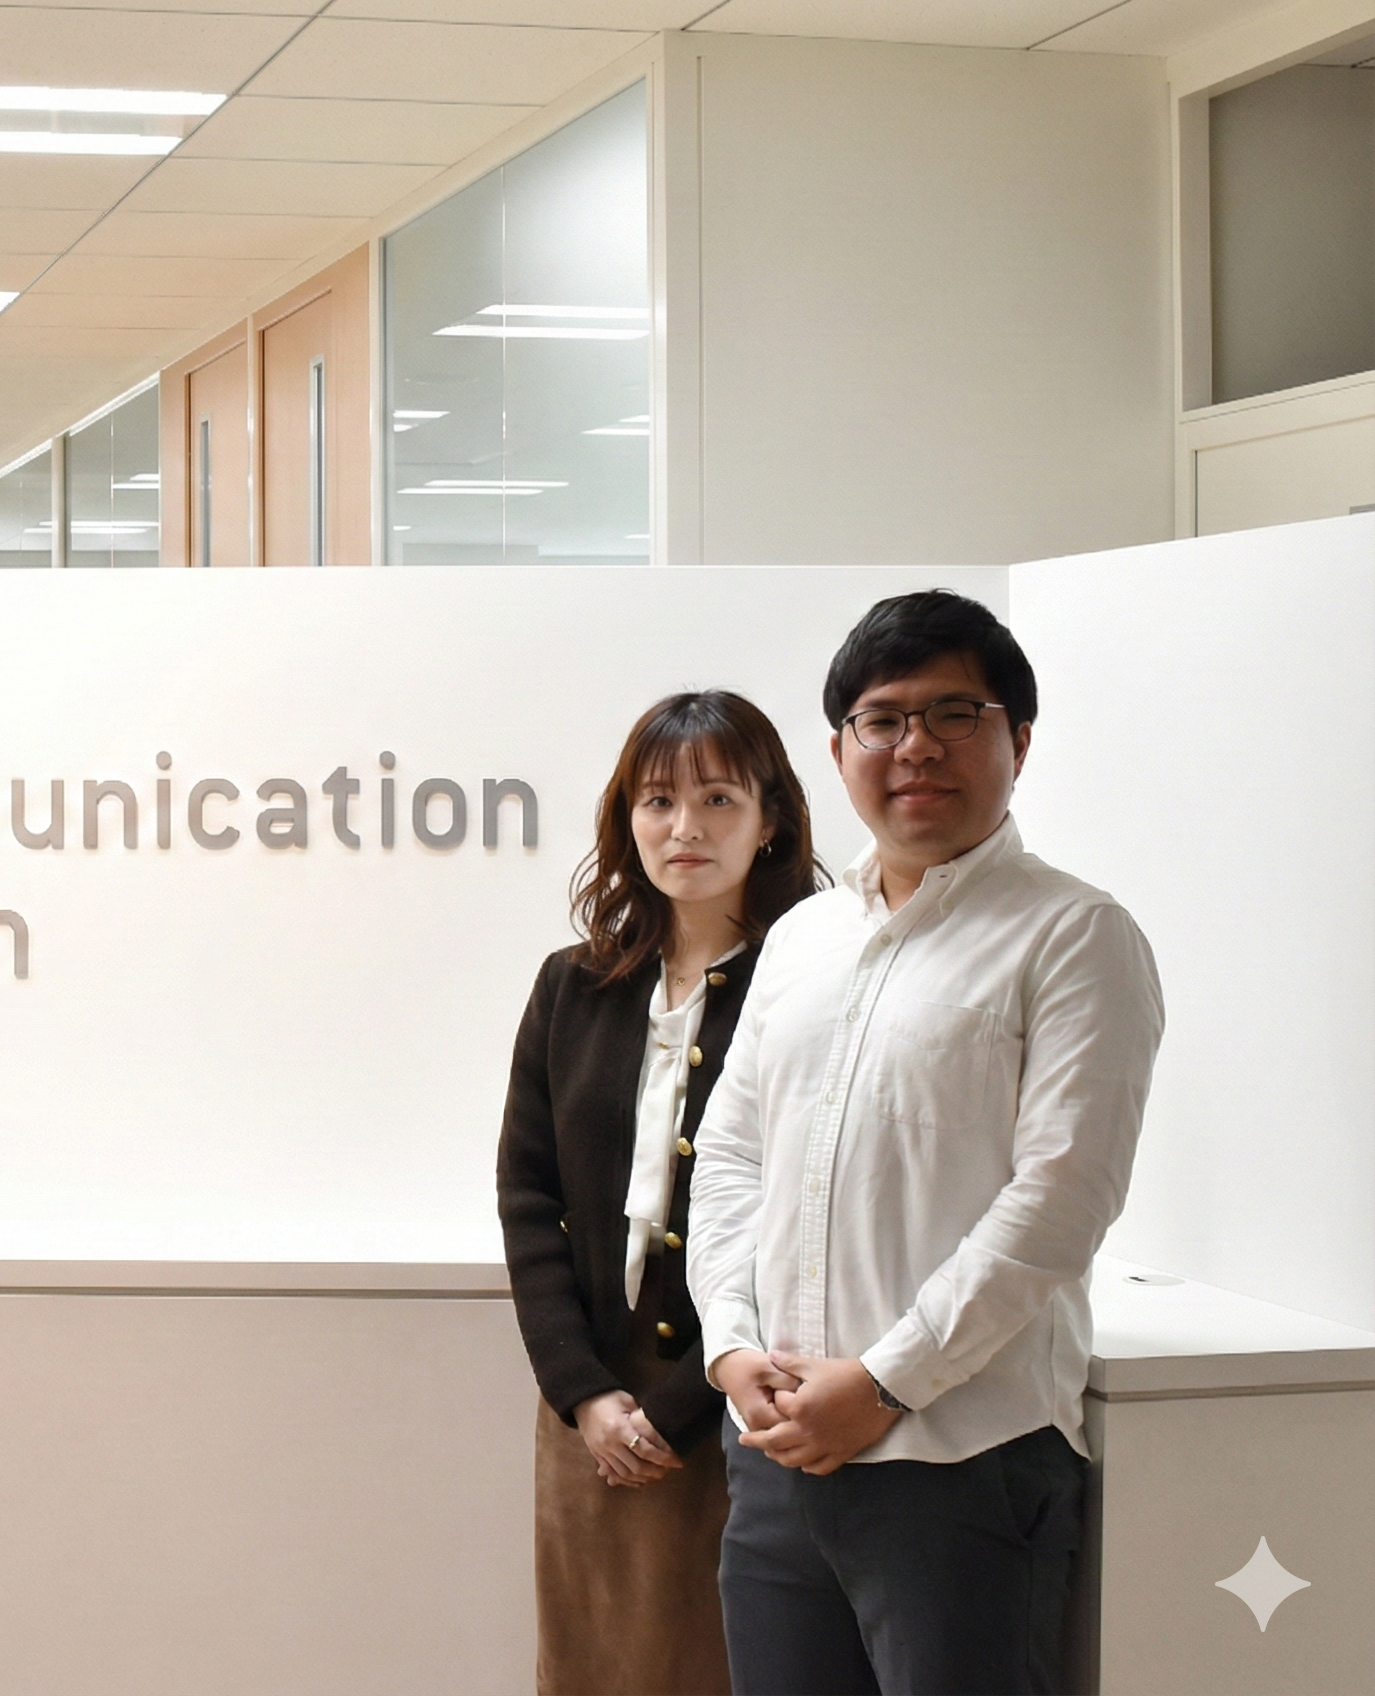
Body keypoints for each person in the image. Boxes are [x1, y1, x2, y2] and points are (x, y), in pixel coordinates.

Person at [686, 592, 1165, 1696]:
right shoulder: (801, 937)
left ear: (1018, 741)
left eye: (955, 714)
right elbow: (732, 1158)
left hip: (961, 1466)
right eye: (882, 719)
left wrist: (884, 1382)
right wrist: (730, 1347)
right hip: (774, 1462)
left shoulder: (1073, 933)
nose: (915, 746)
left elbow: (1060, 1200)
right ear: (838, 749)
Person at [497, 692, 824, 1694]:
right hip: (588, 1404)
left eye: (718, 798)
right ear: (625, 819)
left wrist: (677, 1406)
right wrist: (582, 1391)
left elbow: (796, 1212)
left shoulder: (809, 986)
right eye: (657, 801)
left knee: (715, 1665)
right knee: (586, 1666)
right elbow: (527, 1194)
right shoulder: (572, 985)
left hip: (733, 1401)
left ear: (769, 820)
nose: (685, 827)